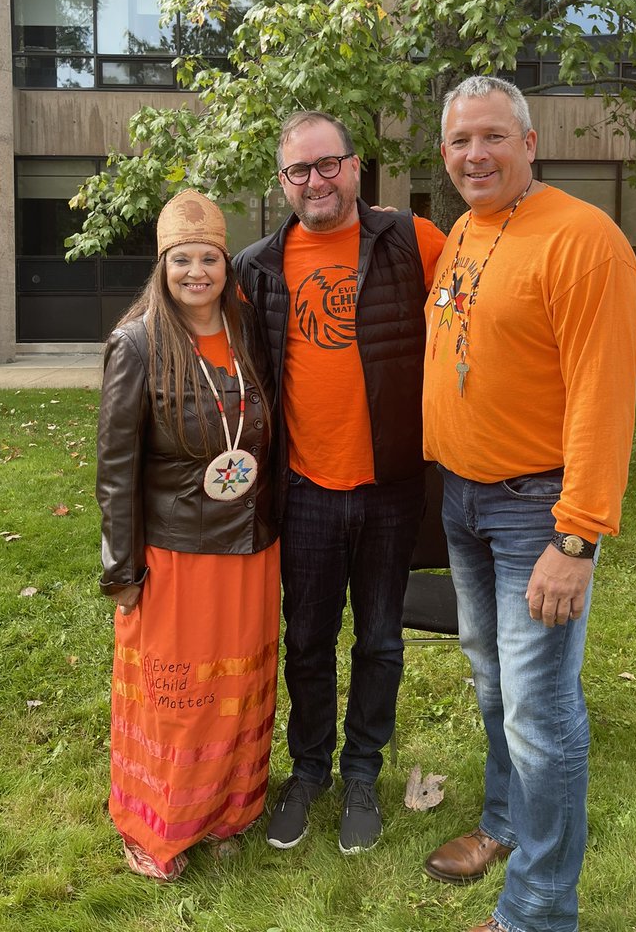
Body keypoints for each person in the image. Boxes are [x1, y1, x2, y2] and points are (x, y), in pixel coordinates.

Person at [421, 76, 636, 932]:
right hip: (464, 500)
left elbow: (603, 398)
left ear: (529, 140)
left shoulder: (585, 241)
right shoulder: (468, 233)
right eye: (459, 142)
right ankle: (506, 825)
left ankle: (540, 912)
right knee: (491, 679)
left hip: (539, 512)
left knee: (541, 712)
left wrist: (577, 539)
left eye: (491, 137)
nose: (475, 154)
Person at [234, 111, 446, 854]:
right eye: (300, 170)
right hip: (306, 490)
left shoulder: (414, 242)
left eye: (330, 165)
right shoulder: (256, 266)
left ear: (356, 167)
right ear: (283, 182)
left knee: (382, 640)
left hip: (391, 486)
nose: (317, 181)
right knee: (308, 640)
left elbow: (478, 319)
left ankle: (364, 772)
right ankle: (310, 770)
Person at [96, 189, 280, 881]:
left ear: (225, 265)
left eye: (209, 258)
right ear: (163, 266)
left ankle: (223, 813)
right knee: (179, 699)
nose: (196, 271)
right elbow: (115, 471)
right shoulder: (137, 343)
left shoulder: (246, 330)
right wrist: (121, 571)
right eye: (182, 260)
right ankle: (155, 823)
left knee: (233, 696)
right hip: (176, 556)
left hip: (251, 550)